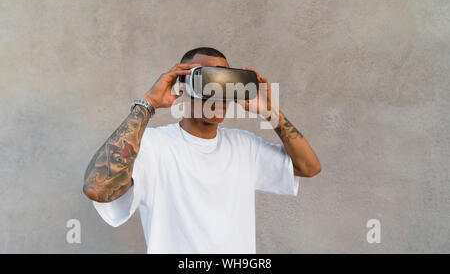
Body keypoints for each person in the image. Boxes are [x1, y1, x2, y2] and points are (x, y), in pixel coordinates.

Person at [83, 47, 321, 253]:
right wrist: (148, 103)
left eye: (226, 83)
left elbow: (309, 168)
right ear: (183, 87)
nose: (218, 93)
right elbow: (98, 188)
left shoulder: (244, 146)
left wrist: (272, 113)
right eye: (207, 81)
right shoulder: (153, 146)